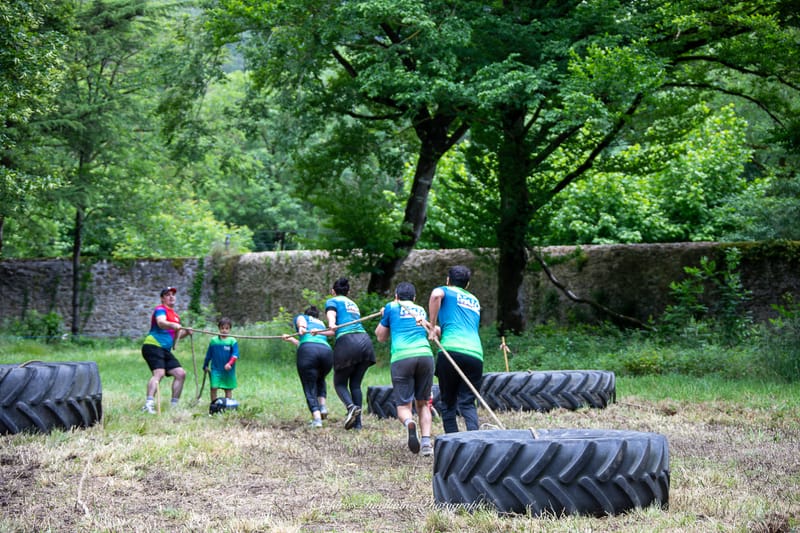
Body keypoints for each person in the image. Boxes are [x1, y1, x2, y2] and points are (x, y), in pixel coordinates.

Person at [375, 282, 436, 456]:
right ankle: (426, 444)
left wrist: (384, 316)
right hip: (425, 356)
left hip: (402, 357)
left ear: (396, 296)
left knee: (403, 406)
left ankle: (409, 421)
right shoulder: (421, 311)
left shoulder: (391, 307)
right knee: (423, 403)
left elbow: (381, 336)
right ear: (414, 298)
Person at [428, 265, 483, 433]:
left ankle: (454, 442)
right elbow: (457, 326)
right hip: (475, 354)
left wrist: (431, 327)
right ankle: (475, 439)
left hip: (451, 350)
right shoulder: (474, 301)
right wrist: (435, 328)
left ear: (448, 281)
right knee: (467, 401)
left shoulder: (445, 290)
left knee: (448, 402)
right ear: (467, 285)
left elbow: (436, 295)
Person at [325, 277, 376, 430]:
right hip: (365, 342)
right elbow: (339, 329)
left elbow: (333, 321)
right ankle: (358, 424)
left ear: (333, 291)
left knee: (339, 383)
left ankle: (350, 407)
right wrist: (318, 333)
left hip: (348, 343)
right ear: (348, 291)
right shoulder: (352, 304)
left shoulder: (332, 301)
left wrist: (331, 323)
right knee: (355, 384)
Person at [140, 286, 191, 413]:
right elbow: (161, 323)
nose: (171, 296)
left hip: (165, 350)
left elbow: (176, 335)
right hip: (152, 346)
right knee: (159, 373)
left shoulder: (176, 316)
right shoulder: (160, 310)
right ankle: (148, 404)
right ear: (162, 298)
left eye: (173, 294)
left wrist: (186, 332)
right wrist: (173, 325)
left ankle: (174, 407)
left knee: (180, 374)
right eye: (168, 295)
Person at [282, 306, 334, 428]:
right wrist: (290, 339)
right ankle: (322, 407)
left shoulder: (303, 317)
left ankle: (317, 419)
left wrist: (301, 327)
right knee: (320, 378)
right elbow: (305, 341)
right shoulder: (321, 323)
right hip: (326, 352)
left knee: (309, 384)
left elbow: (302, 322)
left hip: (308, 352)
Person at [203, 317, 240, 413]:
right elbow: (209, 354)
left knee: (228, 388)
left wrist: (230, 363)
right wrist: (205, 365)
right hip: (216, 369)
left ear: (230, 329)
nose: (224, 330)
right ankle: (214, 406)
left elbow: (235, 355)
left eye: (227, 328)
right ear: (219, 328)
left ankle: (227, 407)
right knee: (213, 387)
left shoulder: (232, 341)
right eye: (222, 328)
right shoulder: (214, 341)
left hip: (228, 370)